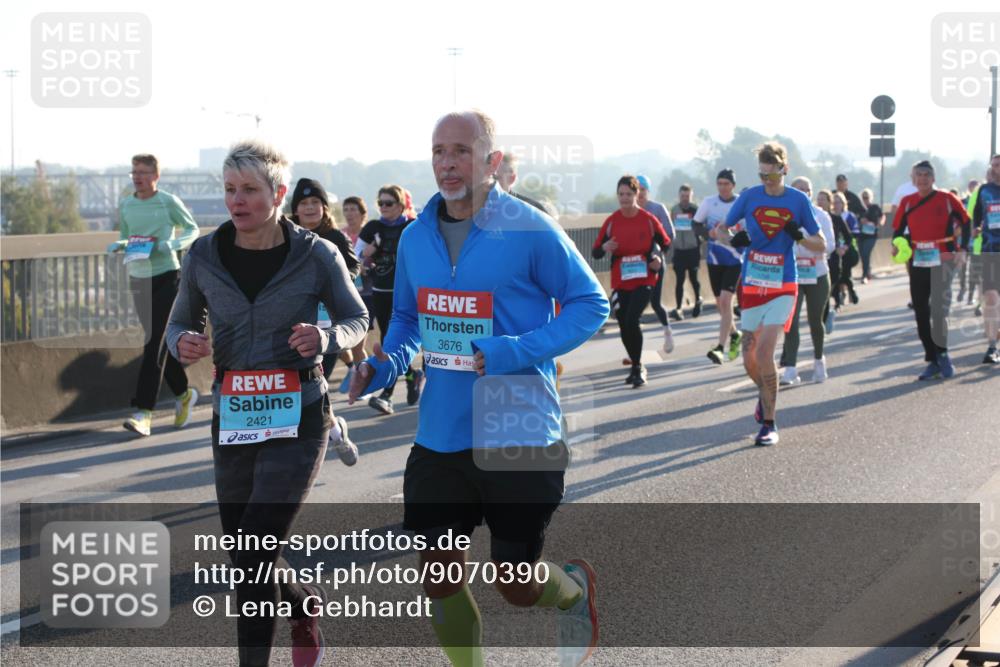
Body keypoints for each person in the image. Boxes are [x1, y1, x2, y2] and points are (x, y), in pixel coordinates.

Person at [348, 110, 608, 667]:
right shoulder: (417, 237)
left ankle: (572, 592)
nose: (447, 162)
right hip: (441, 429)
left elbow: (591, 303)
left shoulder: (529, 228)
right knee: (438, 576)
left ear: (491, 161)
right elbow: (408, 319)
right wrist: (386, 365)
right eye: (439, 150)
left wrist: (513, 349)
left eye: (461, 151)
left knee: (515, 583)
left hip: (516, 419)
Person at [167, 139, 369, 667]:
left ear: (278, 193)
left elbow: (357, 318)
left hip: (299, 413)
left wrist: (326, 339)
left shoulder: (316, 253)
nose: (238, 200)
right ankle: (303, 607)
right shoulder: (204, 254)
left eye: (251, 190)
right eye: (230, 190)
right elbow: (178, 321)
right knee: (246, 554)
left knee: (254, 546)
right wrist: (182, 342)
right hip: (233, 414)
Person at [724, 142, 825, 446]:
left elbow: (821, 244)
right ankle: (765, 392)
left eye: (771, 175)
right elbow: (719, 230)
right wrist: (734, 239)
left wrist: (800, 237)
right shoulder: (748, 197)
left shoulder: (798, 200)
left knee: (766, 352)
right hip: (752, 284)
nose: (766, 181)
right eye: (761, 175)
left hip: (783, 284)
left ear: (784, 169)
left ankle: (769, 423)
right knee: (749, 359)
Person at [107, 153, 200, 437]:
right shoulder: (126, 204)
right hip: (138, 277)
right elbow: (128, 235)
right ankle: (184, 394)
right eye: (134, 172)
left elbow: (192, 229)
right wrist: (120, 243)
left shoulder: (167, 201)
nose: (137, 177)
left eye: (144, 172)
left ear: (155, 176)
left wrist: (171, 244)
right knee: (159, 345)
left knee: (152, 346)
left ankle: (143, 413)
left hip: (166, 277)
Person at [289, 178, 362, 466]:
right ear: (295, 208)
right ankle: (334, 431)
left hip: (327, 327)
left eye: (315, 203)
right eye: (304, 204)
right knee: (301, 387)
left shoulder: (334, 238)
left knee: (315, 383)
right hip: (293, 326)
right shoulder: (285, 237)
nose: (309, 208)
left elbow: (354, 268)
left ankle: (326, 435)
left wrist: (332, 281)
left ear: (324, 207)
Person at [891, 160, 970, 380]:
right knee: (920, 310)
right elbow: (897, 230)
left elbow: (967, 221)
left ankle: (943, 353)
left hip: (943, 257)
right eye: (919, 175)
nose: (923, 178)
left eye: (927, 174)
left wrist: (963, 249)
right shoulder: (907, 201)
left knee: (938, 309)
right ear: (913, 179)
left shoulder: (947, 199)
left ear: (933, 178)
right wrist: (898, 245)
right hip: (918, 259)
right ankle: (932, 359)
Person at [593, 176, 671, 385]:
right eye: (621, 194)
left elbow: (665, 242)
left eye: (629, 194)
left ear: (637, 195)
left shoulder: (647, 219)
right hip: (620, 278)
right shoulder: (612, 221)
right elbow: (596, 251)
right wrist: (605, 247)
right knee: (623, 323)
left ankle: (637, 366)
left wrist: (656, 258)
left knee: (631, 319)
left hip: (645, 277)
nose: (624, 198)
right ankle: (636, 364)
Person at [355, 184, 423, 415]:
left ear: (401, 204)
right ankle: (413, 374)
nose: (384, 207)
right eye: (380, 203)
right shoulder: (373, 228)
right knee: (388, 340)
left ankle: (387, 395)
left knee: (394, 341)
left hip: (409, 293)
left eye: (389, 203)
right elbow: (356, 258)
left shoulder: (412, 226)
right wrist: (367, 255)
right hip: (382, 292)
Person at [779, 177, 836, 385]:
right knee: (790, 321)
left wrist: (803, 241)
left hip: (818, 273)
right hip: (792, 274)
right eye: (799, 189)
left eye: (807, 190)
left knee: (815, 320)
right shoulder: (783, 215)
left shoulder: (821, 215)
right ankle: (791, 369)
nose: (804, 193)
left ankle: (819, 361)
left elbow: (828, 245)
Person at [693, 168, 743, 364]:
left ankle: (720, 347)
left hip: (735, 259)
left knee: (726, 301)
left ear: (733, 186)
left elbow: (748, 228)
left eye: (726, 184)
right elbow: (695, 224)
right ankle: (735, 334)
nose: (723, 187)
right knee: (720, 305)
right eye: (720, 183)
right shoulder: (709, 202)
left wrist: (736, 238)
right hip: (714, 259)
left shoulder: (741, 203)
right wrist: (708, 234)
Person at [337, 196, 375, 393]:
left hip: (367, 295)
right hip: (344, 294)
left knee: (358, 346)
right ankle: (354, 370)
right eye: (346, 209)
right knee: (340, 343)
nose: (349, 213)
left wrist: (369, 264)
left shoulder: (370, 235)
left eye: (353, 209)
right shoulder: (339, 235)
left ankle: (364, 382)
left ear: (362, 213)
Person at [636, 174, 676, 353]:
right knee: (635, 305)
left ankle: (667, 332)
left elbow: (670, 234)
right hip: (635, 265)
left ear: (648, 191)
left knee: (655, 302)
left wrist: (657, 252)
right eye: (637, 190)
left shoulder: (657, 209)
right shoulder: (629, 211)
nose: (640, 194)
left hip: (655, 262)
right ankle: (636, 348)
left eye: (643, 190)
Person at [970, 154, 1000, 364]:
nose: (998, 168)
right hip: (990, 250)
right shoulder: (984, 190)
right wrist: (976, 229)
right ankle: (992, 346)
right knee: (990, 298)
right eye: (995, 165)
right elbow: (977, 217)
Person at [669, 184, 703, 319]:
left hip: (693, 249)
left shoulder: (695, 209)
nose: (685, 199)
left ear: (691, 196)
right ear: (679, 196)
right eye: (682, 196)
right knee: (680, 280)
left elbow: (701, 227)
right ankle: (678, 308)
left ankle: (698, 301)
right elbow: (671, 228)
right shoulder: (674, 210)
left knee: (694, 278)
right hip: (679, 250)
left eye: (687, 196)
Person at [830, 192, 860, 307]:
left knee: (845, 274)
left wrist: (846, 245)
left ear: (843, 204)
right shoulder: (829, 216)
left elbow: (855, 233)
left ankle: (850, 291)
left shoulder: (849, 216)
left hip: (846, 250)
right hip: (835, 250)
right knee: (837, 274)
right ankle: (840, 295)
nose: (837, 205)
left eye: (839, 202)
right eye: (835, 202)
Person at [858, 188, 884, 283]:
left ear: (871, 198)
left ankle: (865, 275)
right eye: (864, 197)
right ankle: (867, 272)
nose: (866, 199)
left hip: (871, 235)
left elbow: (882, 216)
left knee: (866, 253)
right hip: (861, 235)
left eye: (867, 197)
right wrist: (860, 221)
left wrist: (880, 222)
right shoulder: (859, 208)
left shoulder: (875, 207)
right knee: (862, 255)